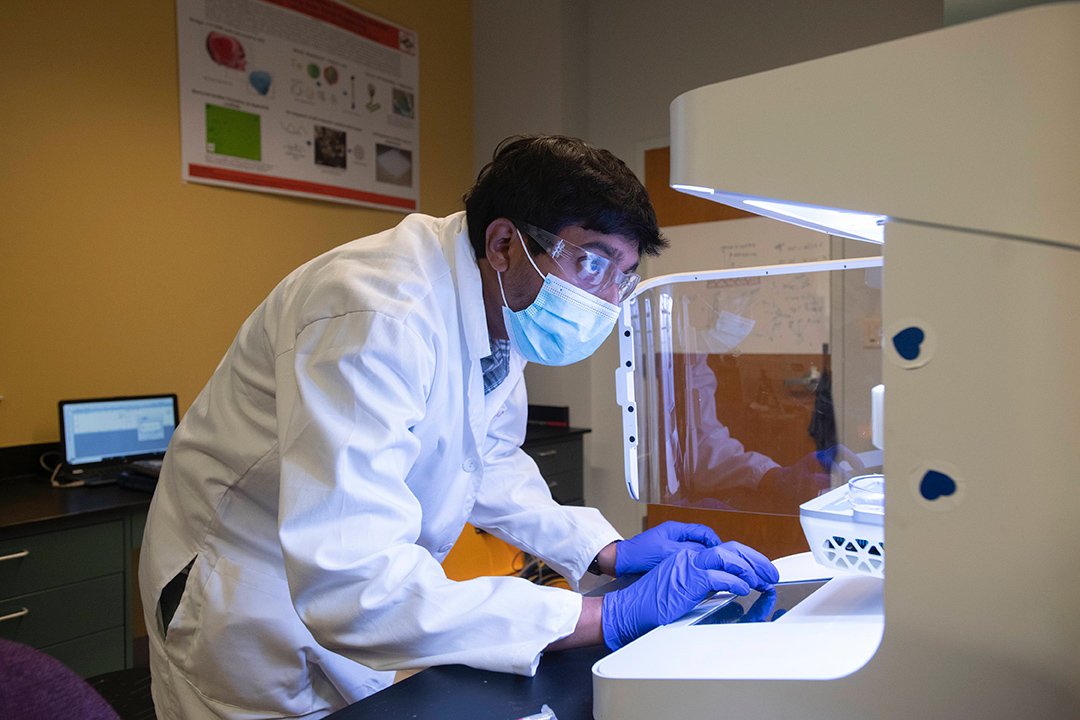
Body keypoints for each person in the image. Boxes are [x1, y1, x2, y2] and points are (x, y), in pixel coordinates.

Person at [139, 135, 778, 720]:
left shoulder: (497, 296)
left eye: (624, 277)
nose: (607, 300)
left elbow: (488, 456)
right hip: (242, 590)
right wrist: (604, 614)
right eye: (593, 266)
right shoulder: (375, 314)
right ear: (504, 242)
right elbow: (354, 582)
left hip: (344, 587)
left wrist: (600, 552)